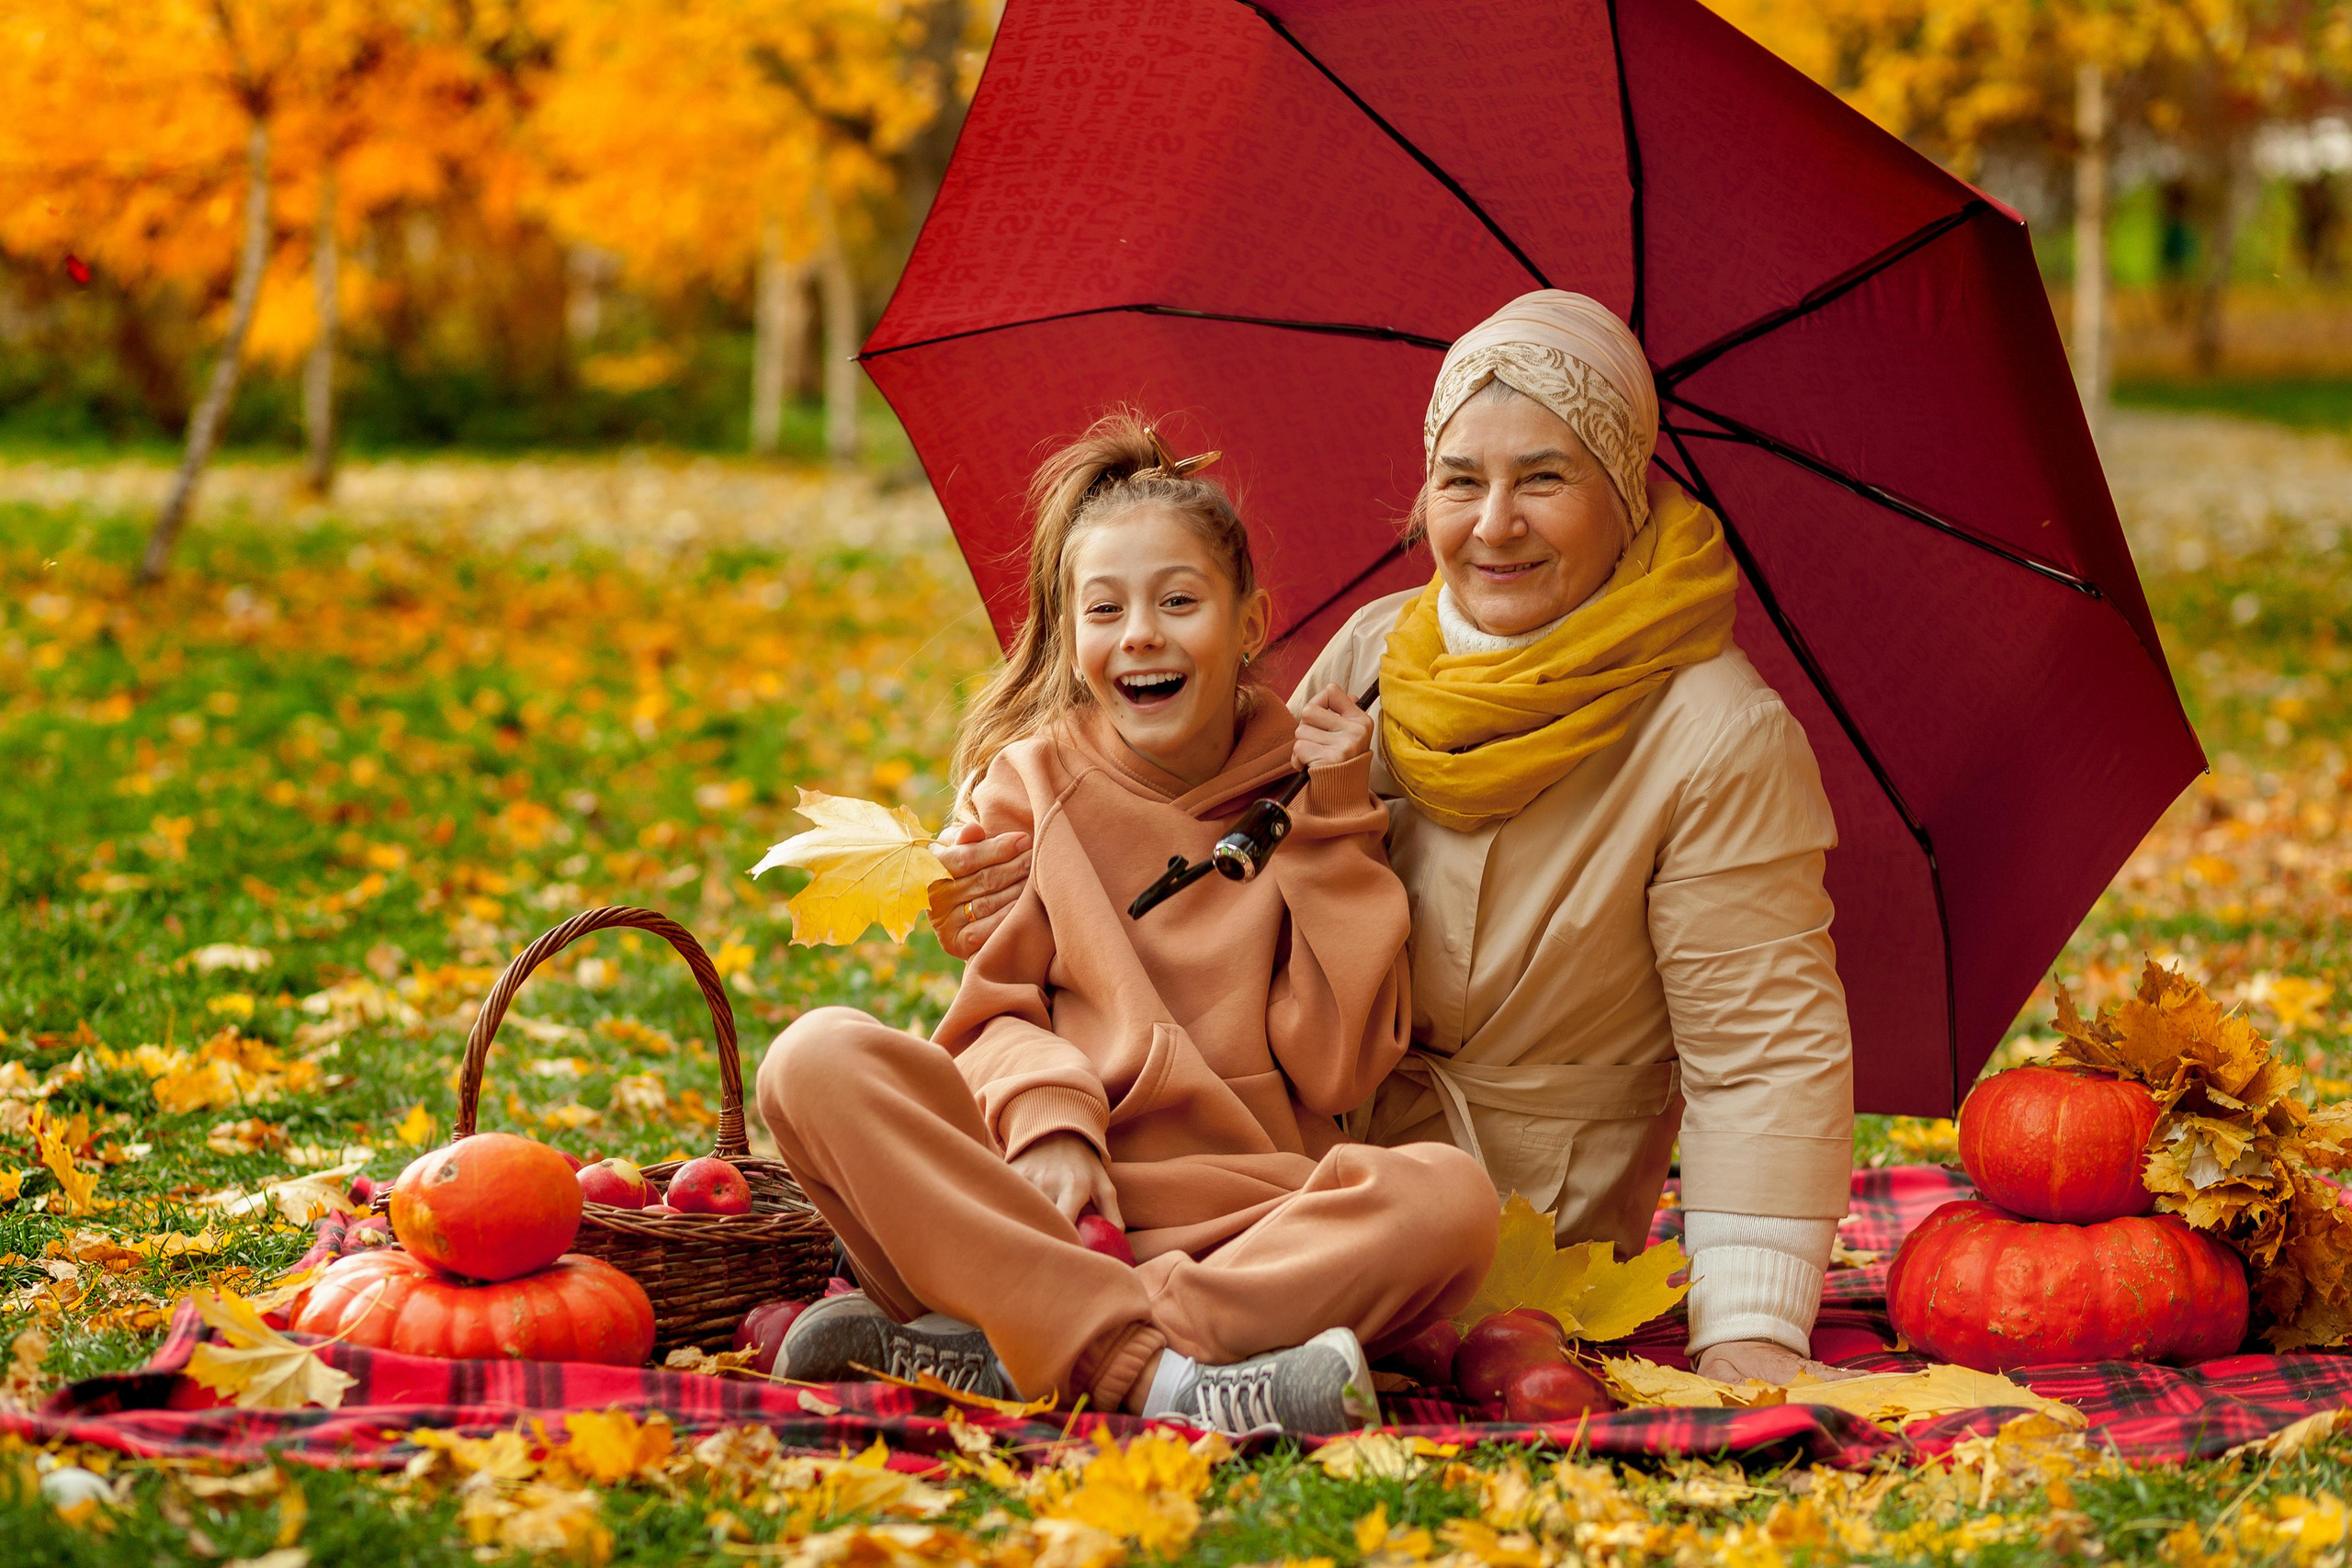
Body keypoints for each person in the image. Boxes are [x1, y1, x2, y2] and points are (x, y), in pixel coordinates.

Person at [931, 294, 1859, 1387]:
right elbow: (1187, 855)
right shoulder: (1376, 656)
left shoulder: (1713, 734)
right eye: (1461, 480)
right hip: (1286, 1174)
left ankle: (1054, 1326)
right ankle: (1137, 1338)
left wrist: (1749, 1325)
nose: (1494, 522)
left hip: (1517, 1222)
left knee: (1435, 1215)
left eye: (1545, 479)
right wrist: (1001, 875)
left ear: (1624, 492)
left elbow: (1763, 1046)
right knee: (860, 1076)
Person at [758, 413, 1498, 1435]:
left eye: (1178, 601)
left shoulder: (1308, 796)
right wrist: (1054, 1118)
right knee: (813, 1058)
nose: (1139, 634)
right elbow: (990, 1020)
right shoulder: (1031, 786)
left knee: (1451, 1202)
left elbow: (1334, 1070)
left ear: (1248, 625)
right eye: (1103, 610)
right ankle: (1168, 1383)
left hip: (1245, 1229)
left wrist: (1333, 825)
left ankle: (1028, 1350)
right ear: (1072, 641)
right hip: (1046, 1205)